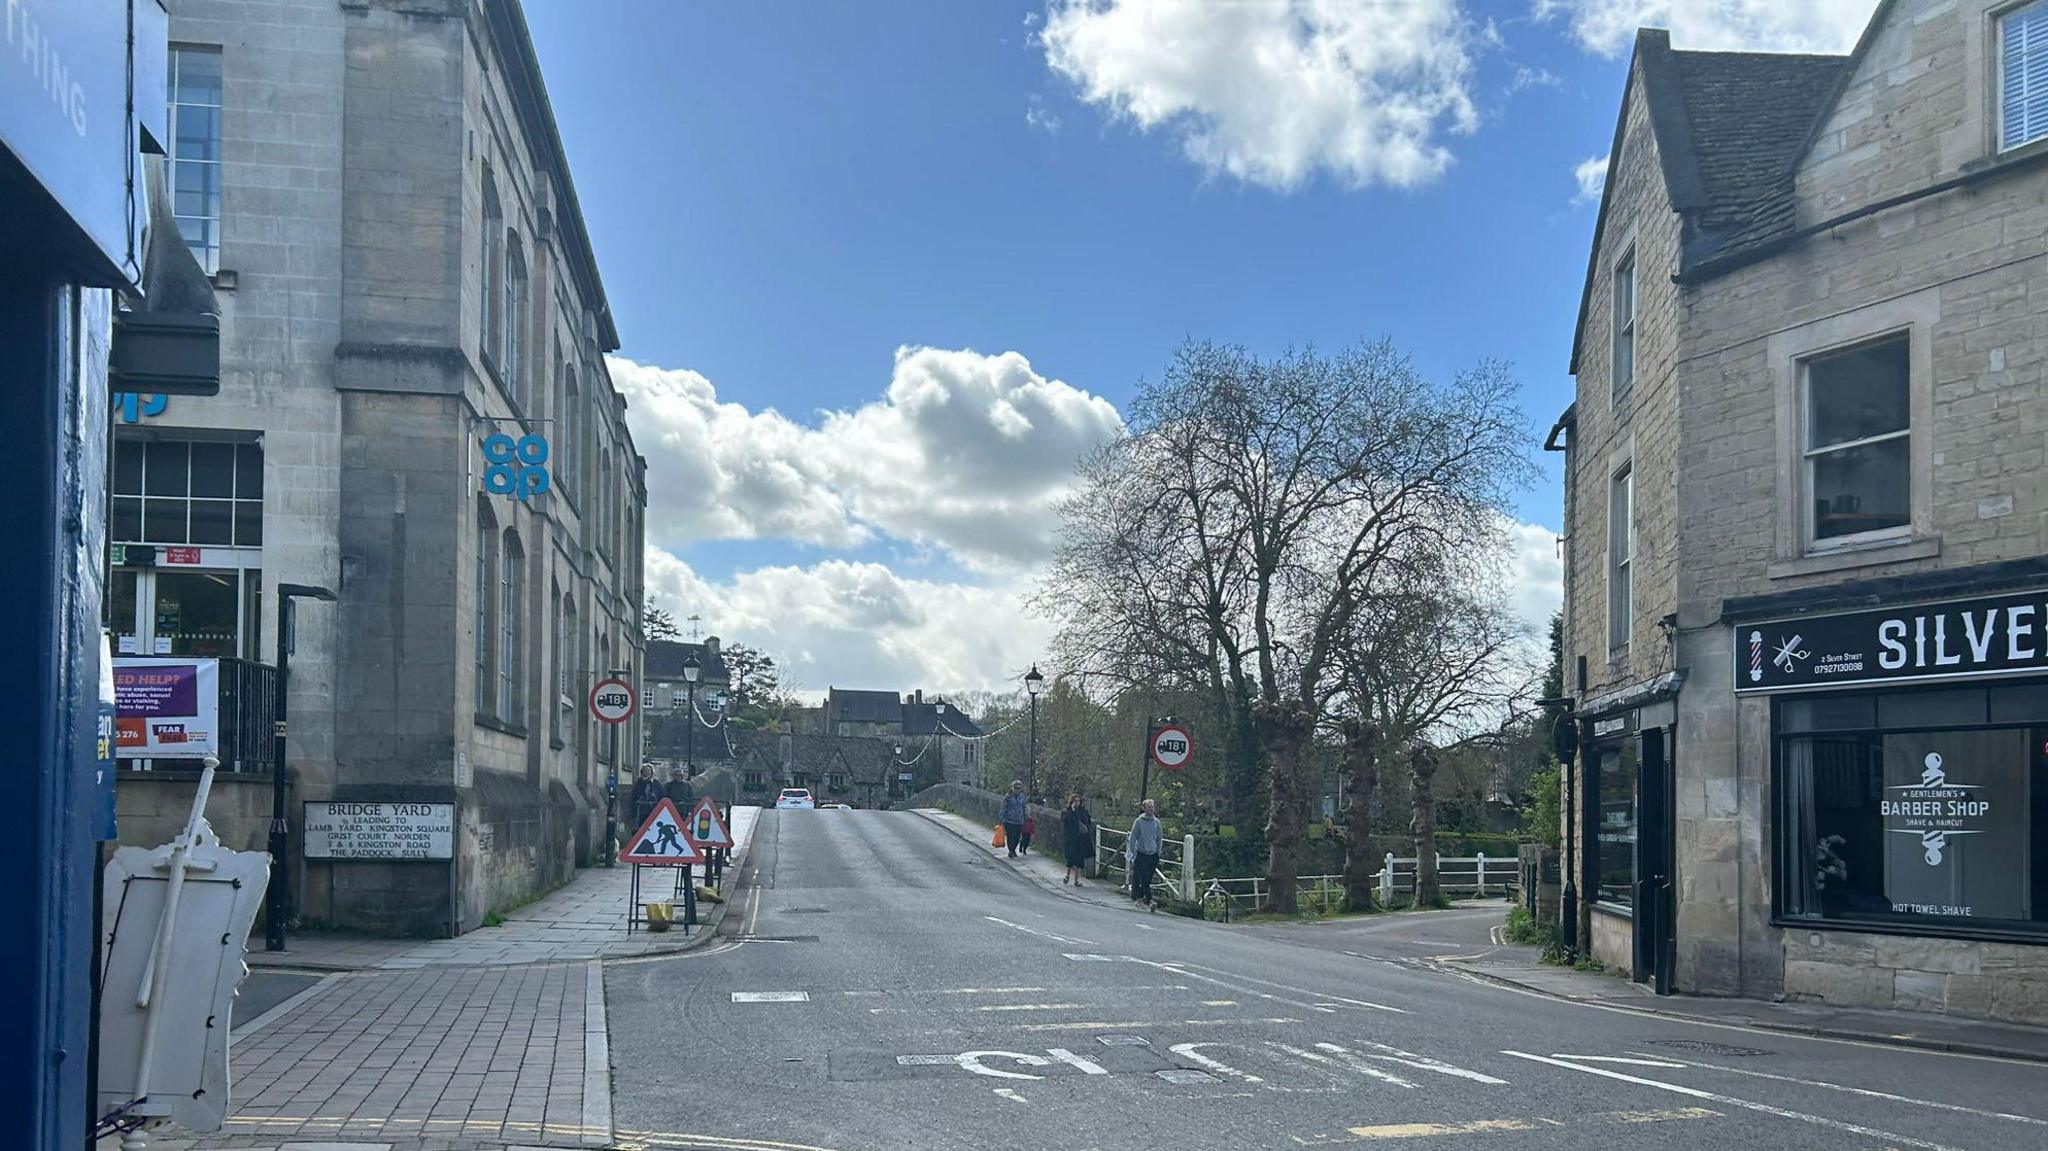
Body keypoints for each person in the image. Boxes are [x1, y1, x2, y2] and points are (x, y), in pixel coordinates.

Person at [1128, 798, 1163, 909]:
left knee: (1147, 879)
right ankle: (1150, 900)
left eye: (1152, 806)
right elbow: (1133, 837)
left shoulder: (1157, 822)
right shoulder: (1138, 821)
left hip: (1153, 854)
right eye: (1149, 807)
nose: (1151, 809)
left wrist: (1158, 851)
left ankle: (1139, 898)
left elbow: (1159, 838)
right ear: (1144, 808)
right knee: (1143, 877)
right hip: (1142, 853)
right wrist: (1134, 852)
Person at [1060, 794, 1093, 886]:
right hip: (1071, 839)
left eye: (1078, 801)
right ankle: (1067, 875)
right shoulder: (1067, 812)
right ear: (1071, 802)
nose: (1077, 803)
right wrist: (1072, 812)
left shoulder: (1083, 812)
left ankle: (1076, 880)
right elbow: (1065, 821)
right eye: (1075, 801)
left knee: (1079, 860)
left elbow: (1088, 822)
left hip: (1081, 839)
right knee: (1070, 858)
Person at [999, 780, 1028, 859]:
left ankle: (1013, 849)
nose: (1017, 790)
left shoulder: (1022, 797)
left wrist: (1026, 816)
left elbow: (1024, 807)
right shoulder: (1007, 797)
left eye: (1019, 788)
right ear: (1012, 788)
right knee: (1011, 836)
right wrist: (1001, 818)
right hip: (1009, 820)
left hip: (1019, 820)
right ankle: (1011, 851)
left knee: (1017, 837)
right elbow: (1003, 808)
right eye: (1016, 788)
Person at [632, 765, 662, 830]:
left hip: (653, 809)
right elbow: (635, 795)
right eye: (645, 770)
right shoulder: (638, 783)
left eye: (648, 770)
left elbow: (661, 795)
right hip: (641, 810)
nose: (647, 772)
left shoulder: (656, 783)